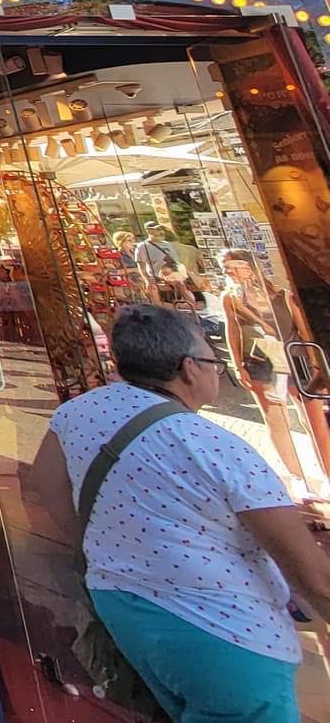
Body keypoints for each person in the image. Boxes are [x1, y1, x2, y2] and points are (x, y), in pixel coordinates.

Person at [32, 304, 330, 723]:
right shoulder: (217, 447)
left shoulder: (82, 410)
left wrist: (104, 546)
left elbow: (45, 484)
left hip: (123, 606)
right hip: (229, 634)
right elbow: (309, 571)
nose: (217, 372)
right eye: (214, 361)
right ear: (189, 369)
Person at [221, 249, 323, 494]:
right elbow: (232, 331)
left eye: (233, 265)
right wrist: (237, 364)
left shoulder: (282, 294)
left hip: (295, 357)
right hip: (260, 361)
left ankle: (324, 468)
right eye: (225, 267)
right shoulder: (231, 297)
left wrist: (315, 360)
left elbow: (303, 329)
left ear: (250, 266)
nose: (228, 271)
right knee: (277, 420)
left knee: (313, 418)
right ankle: (299, 478)